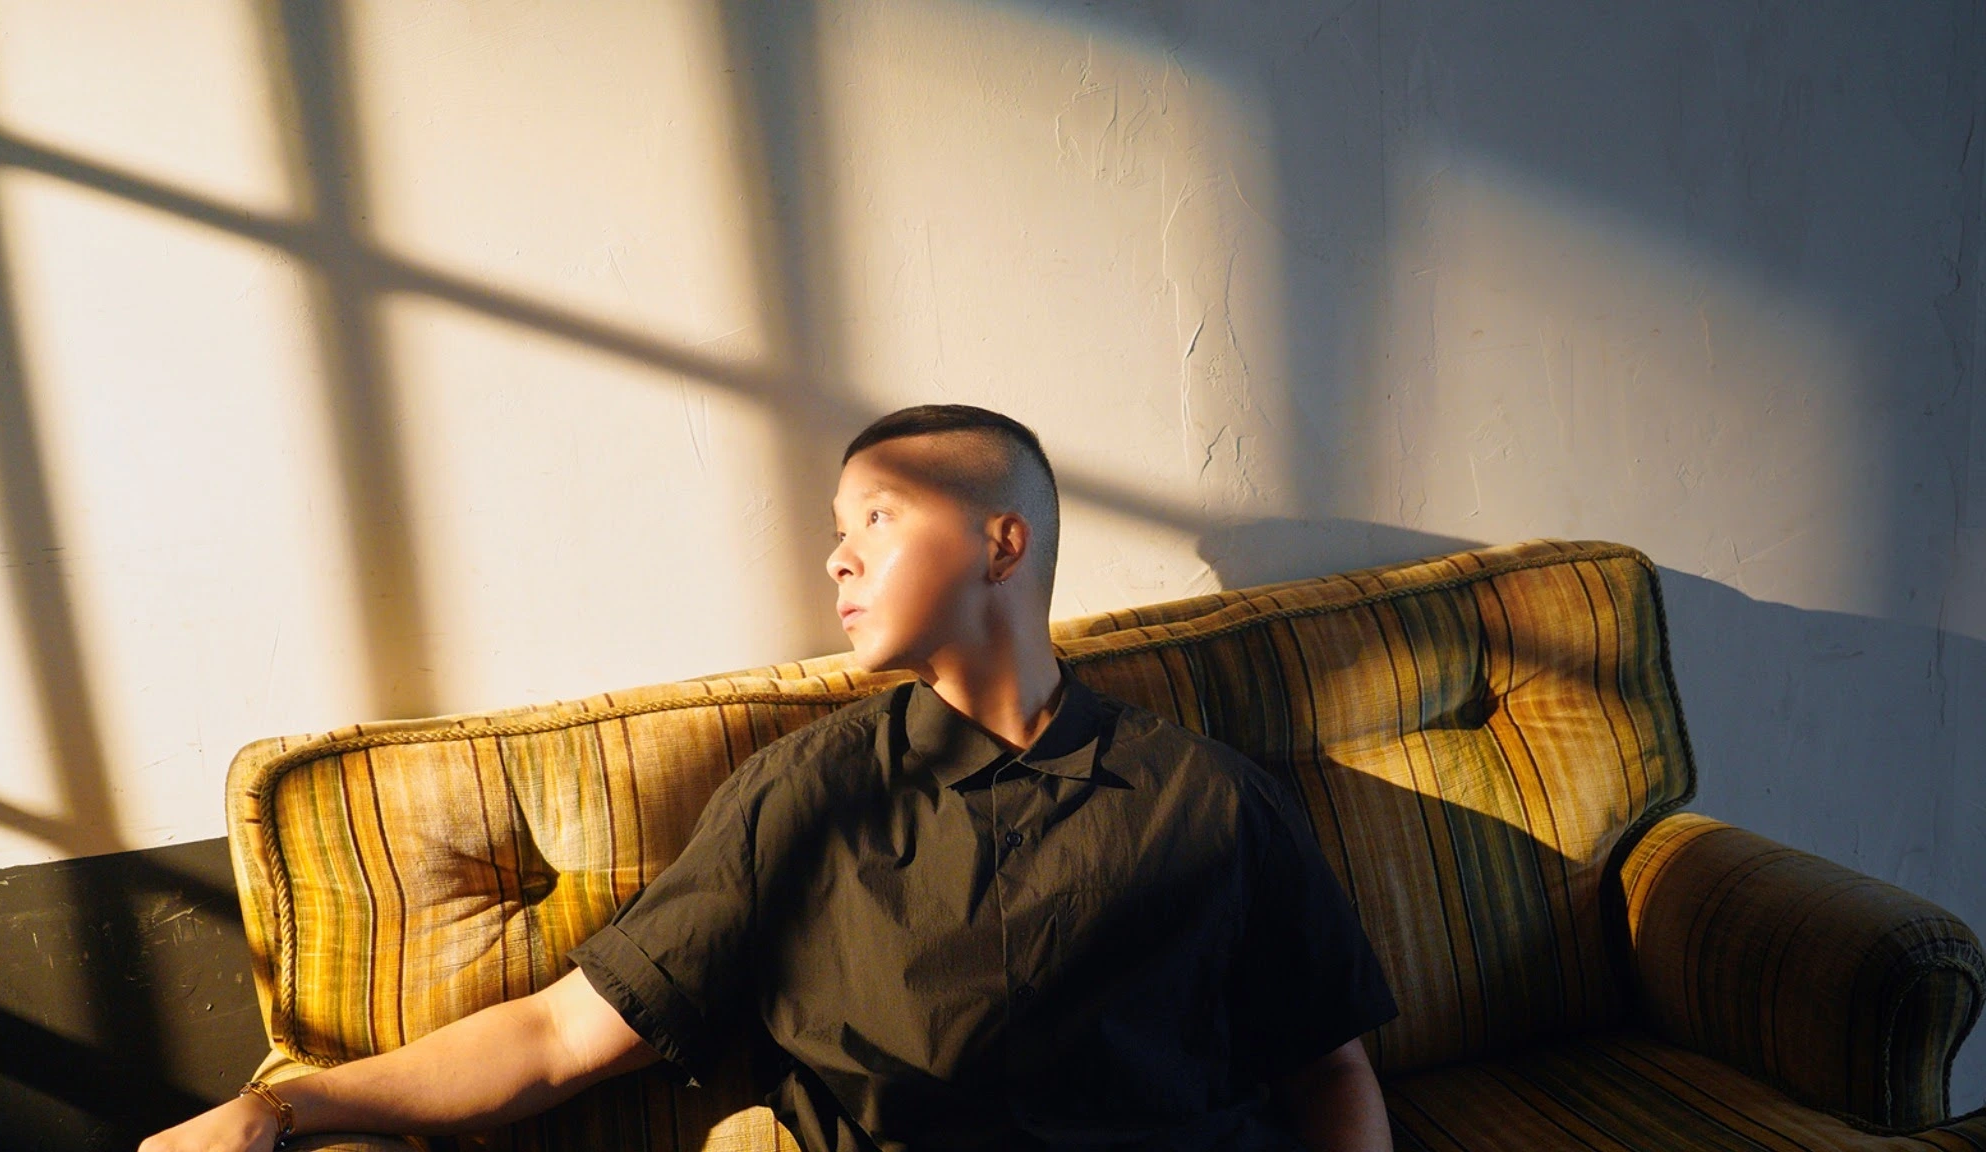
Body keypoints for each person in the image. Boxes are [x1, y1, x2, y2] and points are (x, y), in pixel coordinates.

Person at [140, 404, 1399, 1152]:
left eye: (876, 519)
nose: (836, 559)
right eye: (836, 529)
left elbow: (1330, 1071)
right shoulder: (804, 797)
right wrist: (290, 1110)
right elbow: (559, 1034)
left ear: (1000, 544)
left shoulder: (1208, 798)